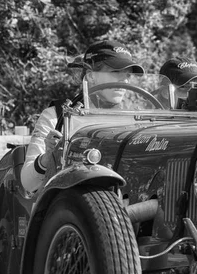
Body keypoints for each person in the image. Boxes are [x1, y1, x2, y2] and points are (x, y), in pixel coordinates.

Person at [21, 42, 144, 193]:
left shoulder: (135, 118)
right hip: (69, 205)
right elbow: (28, 182)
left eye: (127, 75)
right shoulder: (56, 115)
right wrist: (48, 157)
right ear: (91, 76)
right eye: (115, 72)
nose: (124, 81)